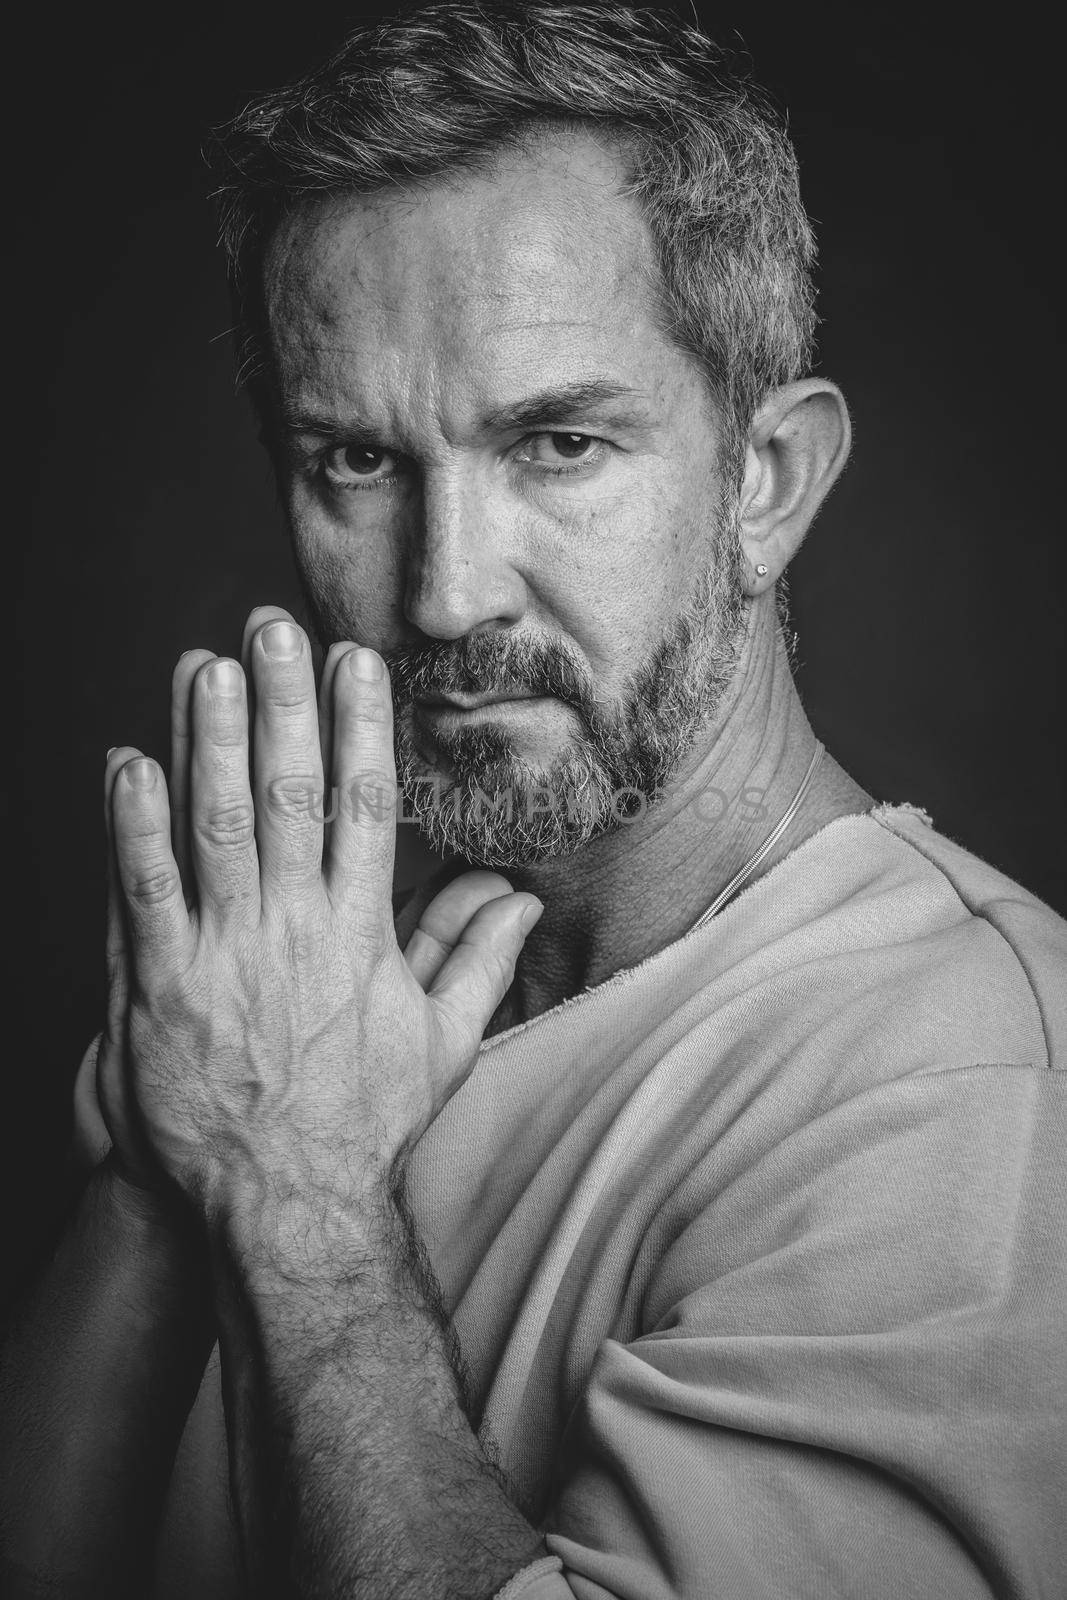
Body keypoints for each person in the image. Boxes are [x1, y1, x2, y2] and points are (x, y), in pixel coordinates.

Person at [2, 4, 1064, 1597]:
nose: (441, 594)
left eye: (558, 443)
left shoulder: (971, 1091)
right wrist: (186, 1146)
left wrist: (290, 1194)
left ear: (766, 481)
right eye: (356, 461)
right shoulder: (290, 1003)